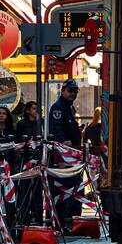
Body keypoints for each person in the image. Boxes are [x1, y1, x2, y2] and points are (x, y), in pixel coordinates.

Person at [47, 79, 83, 228]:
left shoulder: (69, 108)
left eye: (75, 91)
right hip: (63, 157)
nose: (72, 93)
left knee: (74, 188)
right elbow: (57, 130)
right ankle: (61, 222)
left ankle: (71, 221)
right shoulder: (58, 107)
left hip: (72, 156)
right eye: (70, 90)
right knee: (63, 189)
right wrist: (63, 143)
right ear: (63, 91)